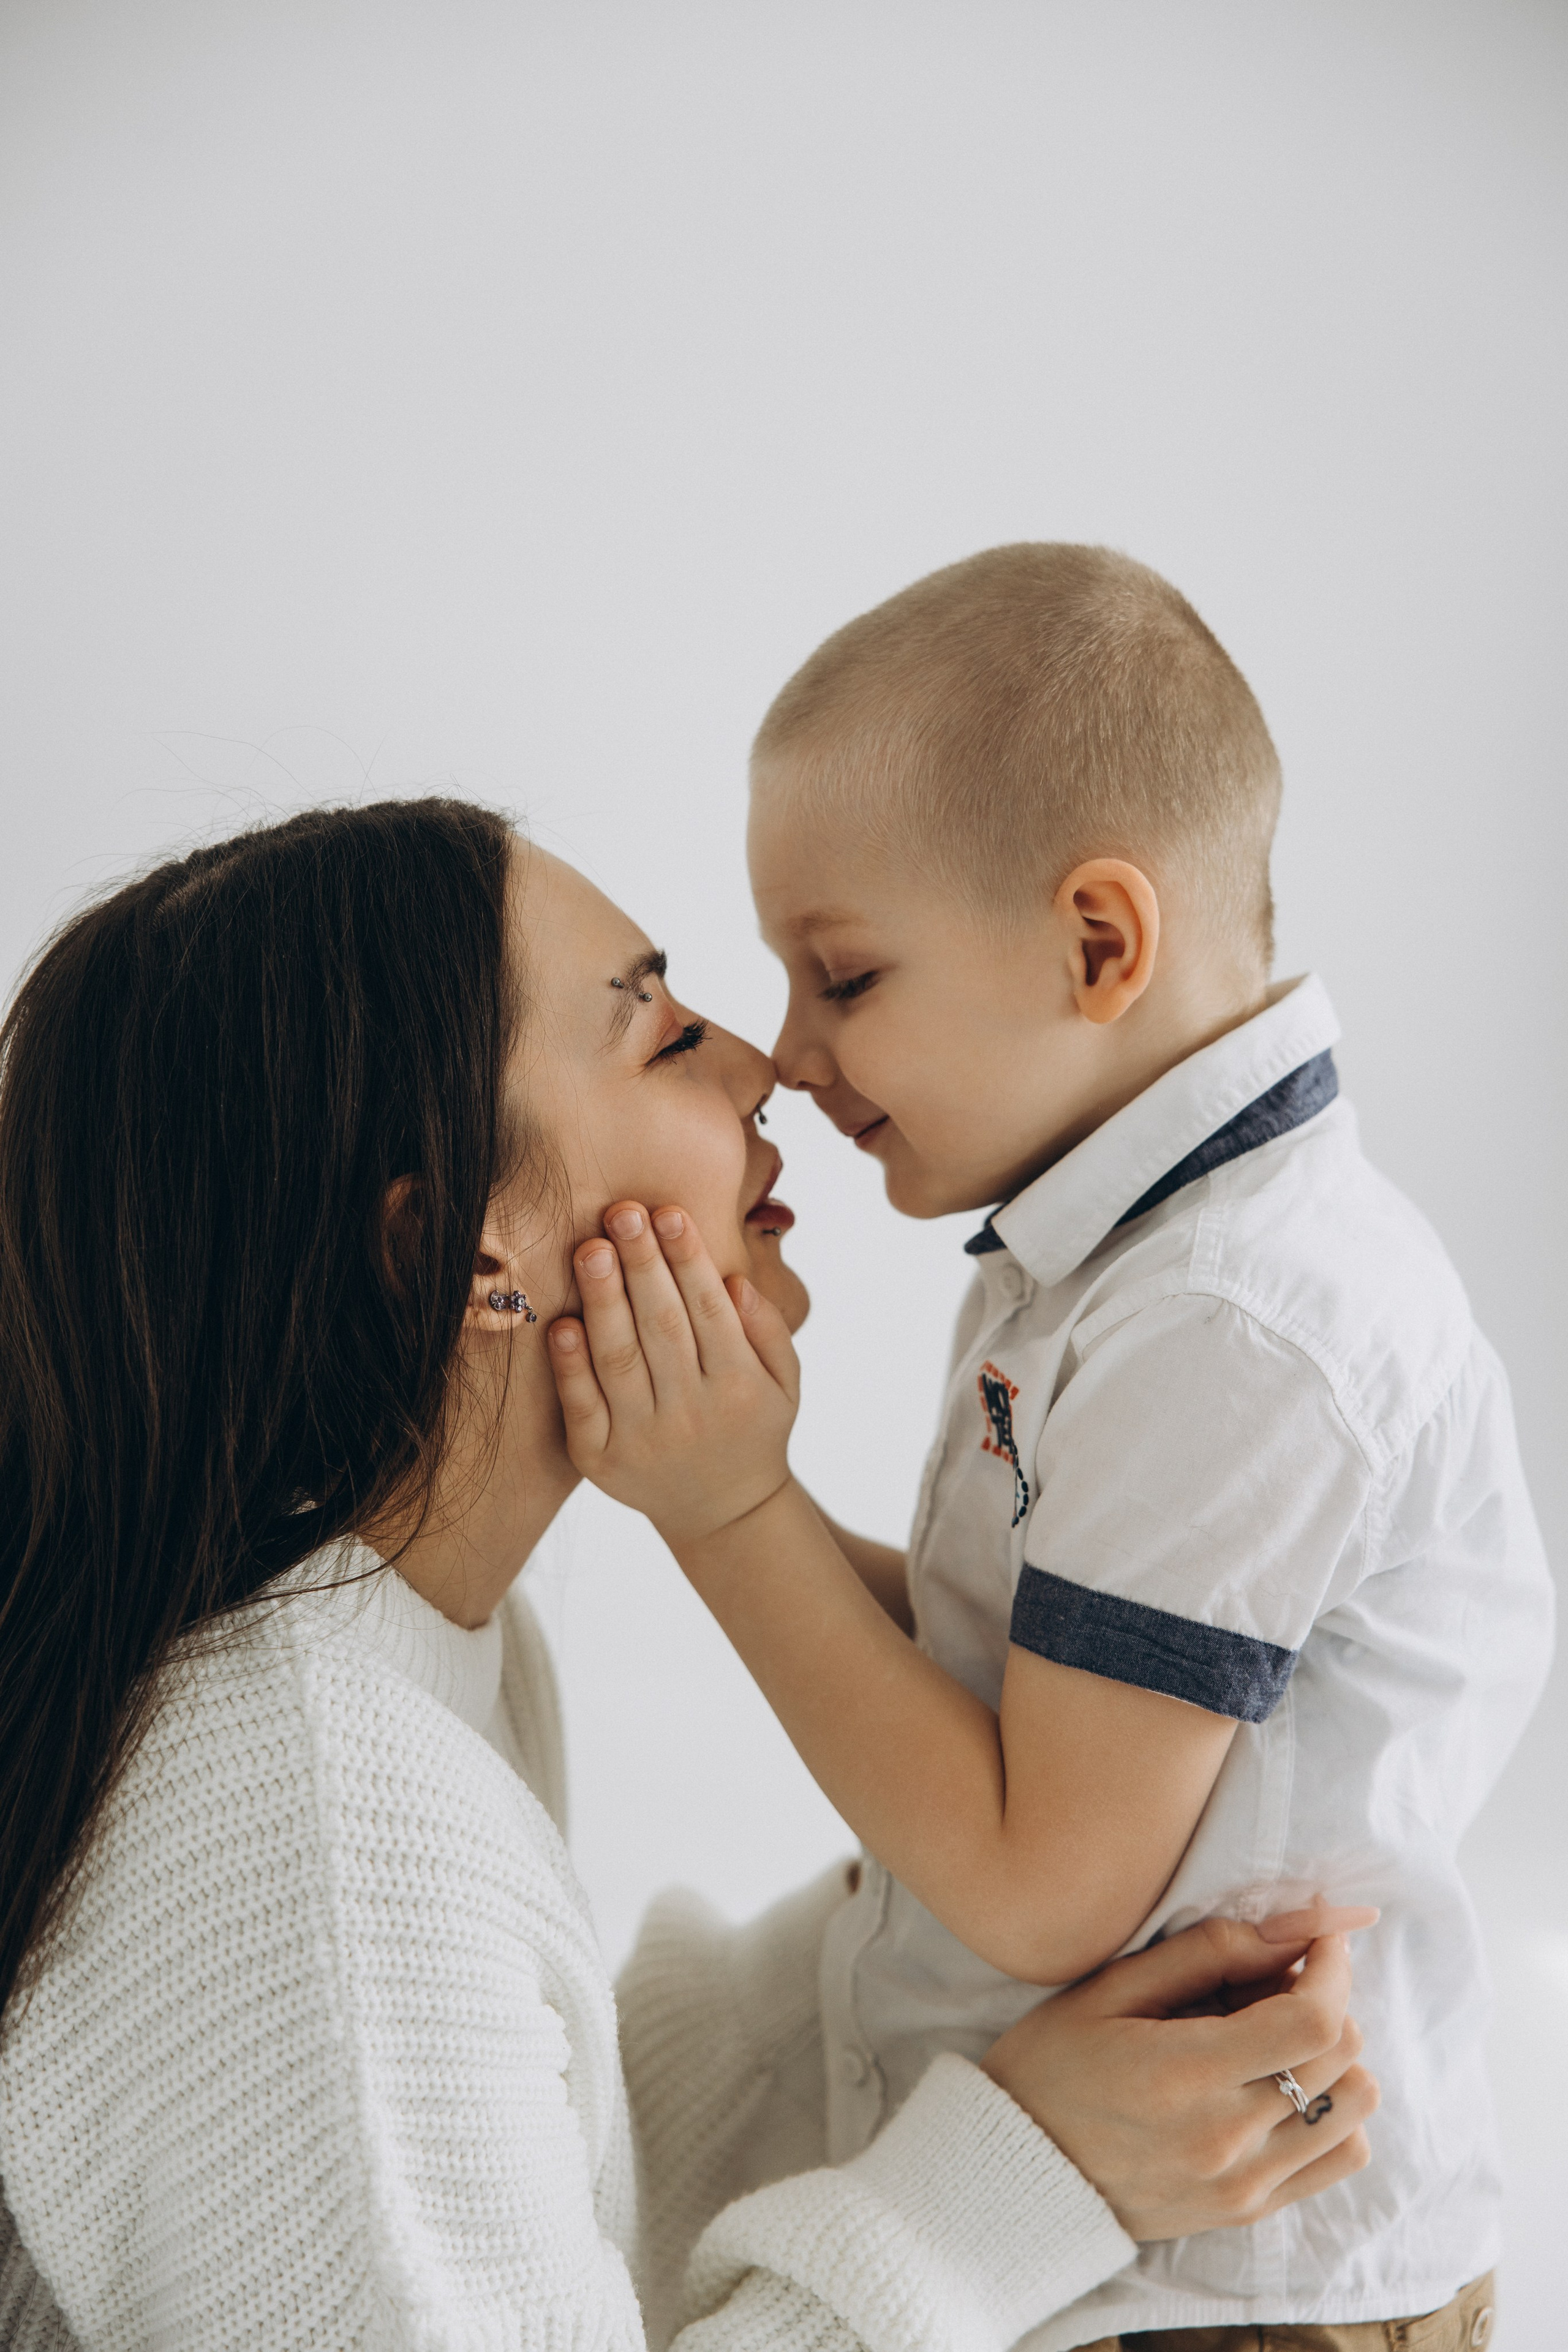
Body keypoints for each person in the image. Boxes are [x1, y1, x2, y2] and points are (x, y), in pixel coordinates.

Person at [0, 800, 1376, 2352]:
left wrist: (894, 1969)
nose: (768, 1065)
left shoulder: (403, 1638)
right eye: (658, 1037)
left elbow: (527, 2195)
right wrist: (1015, 2178)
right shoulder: (317, 1823)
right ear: (455, 1253)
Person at [546, 547, 1547, 2351]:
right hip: (1109, 2245)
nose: (788, 1053)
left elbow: (1035, 1885)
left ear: (1099, 942)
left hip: (1219, 2294)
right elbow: (1002, 1671)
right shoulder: (1124, 1252)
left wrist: (734, 1517)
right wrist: (716, 1481)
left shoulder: (1234, 1325)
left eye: (842, 977)